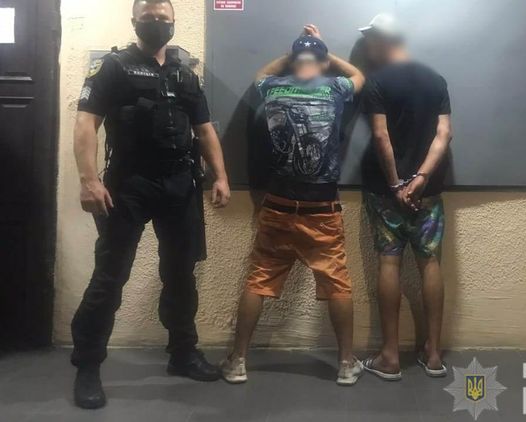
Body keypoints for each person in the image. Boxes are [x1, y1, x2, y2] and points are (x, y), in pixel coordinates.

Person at [71, 0, 231, 409]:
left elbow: (205, 129)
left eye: (164, 19)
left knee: (180, 274)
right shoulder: (113, 67)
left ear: (173, 23)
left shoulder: (184, 73)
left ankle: (183, 353)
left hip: (179, 184)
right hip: (128, 185)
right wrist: (89, 181)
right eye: (149, 18)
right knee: (110, 276)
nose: (157, 24)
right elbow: (86, 122)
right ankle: (87, 365)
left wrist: (221, 176)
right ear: (134, 22)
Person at [220, 25, 366, 386]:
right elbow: (358, 75)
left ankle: (238, 361)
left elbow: (261, 73)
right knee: (338, 284)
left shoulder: (273, 87)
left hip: (278, 203)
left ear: (294, 60)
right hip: (323, 207)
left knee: (258, 280)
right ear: (321, 61)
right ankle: (346, 364)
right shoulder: (335, 88)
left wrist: (292, 52)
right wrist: (325, 51)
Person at [357, 14, 453, 380]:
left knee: (389, 262)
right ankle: (434, 354)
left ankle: (390, 356)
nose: (368, 47)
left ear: (384, 40)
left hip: (386, 193)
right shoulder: (436, 79)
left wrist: (397, 183)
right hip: (428, 192)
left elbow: (382, 137)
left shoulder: (377, 82)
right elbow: (444, 135)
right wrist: (422, 177)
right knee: (430, 263)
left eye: (370, 39)